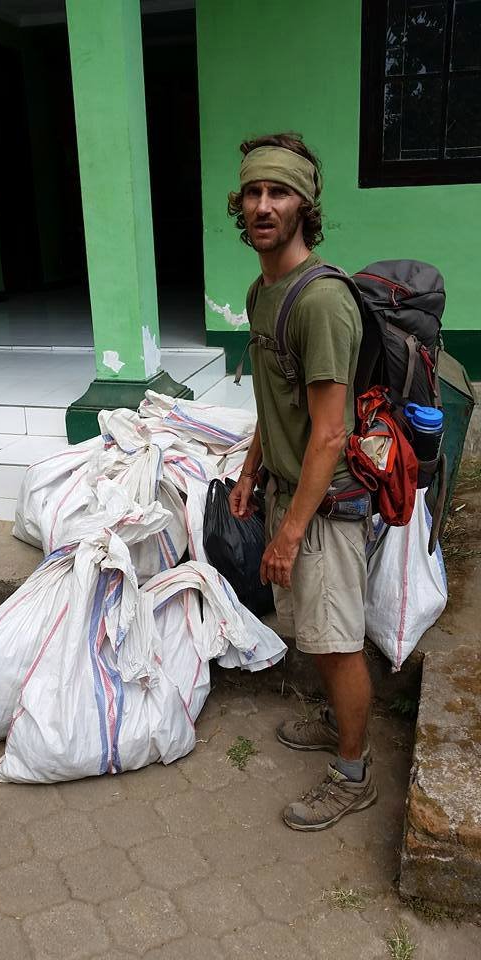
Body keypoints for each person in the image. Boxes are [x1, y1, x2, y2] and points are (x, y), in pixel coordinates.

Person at [227, 132, 377, 831]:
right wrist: (251, 472)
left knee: (338, 642)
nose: (263, 205)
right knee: (315, 632)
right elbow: (273, 401)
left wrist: (288, 534)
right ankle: (335, 726)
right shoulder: (263, 291)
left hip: (329, 503)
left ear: (304, 206)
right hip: (290, 491)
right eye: (253, 192)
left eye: (278, 192)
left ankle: (354, 774)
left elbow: (329, 432)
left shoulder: (320, 302)